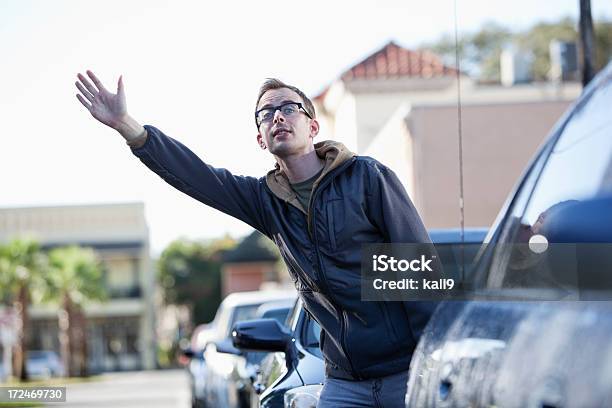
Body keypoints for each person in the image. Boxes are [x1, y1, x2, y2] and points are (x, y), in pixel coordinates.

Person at [75, 70, 437, 407]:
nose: (277, 116)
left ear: (313, 127)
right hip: (344, 381)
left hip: (403, 371)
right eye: (266, 113)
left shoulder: (367, 177)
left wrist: (431, 359)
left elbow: (418, 270)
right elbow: (198, 177)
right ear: (260, 139)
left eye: (288, 108)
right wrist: (128, 126)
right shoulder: (266, 202)